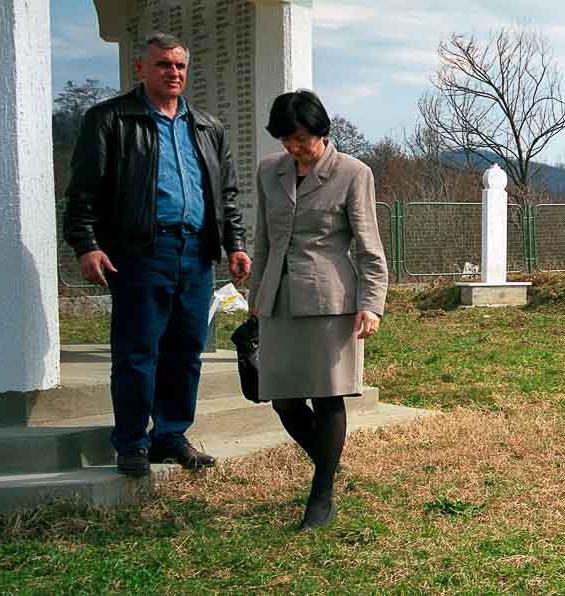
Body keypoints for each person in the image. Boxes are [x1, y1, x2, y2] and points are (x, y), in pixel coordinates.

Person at [63, 32, 251, 477]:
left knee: (187, 349)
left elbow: (226, 194)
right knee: (137, 350)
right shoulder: (110, 119)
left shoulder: (206, 127)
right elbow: (83, 192)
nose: (174, 73)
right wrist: (87, 245)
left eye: (180, 66)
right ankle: (131, 442)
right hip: (140, 253)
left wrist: (236, 244)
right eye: (164, 65)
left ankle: (170, 435)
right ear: (141, 68)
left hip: (196, 252)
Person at [249, 89, 388, 530]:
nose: (293, 147)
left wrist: (372, 303)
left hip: (330, 300)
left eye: (301, 139)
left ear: (321, 133)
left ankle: (321, 494)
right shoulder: (269, 171)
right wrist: (256, 297)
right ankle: (329, 461)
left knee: (328, 395)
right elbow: (263, 239)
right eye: (286, 139)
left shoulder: (352, 173)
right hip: (278, 299)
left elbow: (369, 247)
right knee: (284, 399)